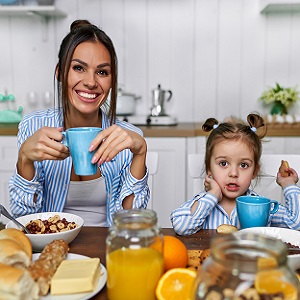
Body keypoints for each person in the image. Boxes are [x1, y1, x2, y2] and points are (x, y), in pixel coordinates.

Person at [8, 20, 149, 227]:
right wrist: (24, 159)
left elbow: (133, 223)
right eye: (78, 68)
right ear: (60, 72)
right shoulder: (33, 125)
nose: (91, 82)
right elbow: (23, 217)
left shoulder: (127, 137)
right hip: (52, 248)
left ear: (112, 80)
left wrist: (140, 153)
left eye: (102, 72)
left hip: (108, 250)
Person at [170, 113, 300, 235]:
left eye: (243, 165)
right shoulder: (203, 202)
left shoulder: (262, 207)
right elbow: (181, 226)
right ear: (209, 169)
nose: (233, 173)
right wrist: (212, 195)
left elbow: (295, 224)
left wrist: (289, 185)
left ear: (254, 171)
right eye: (223, 163)